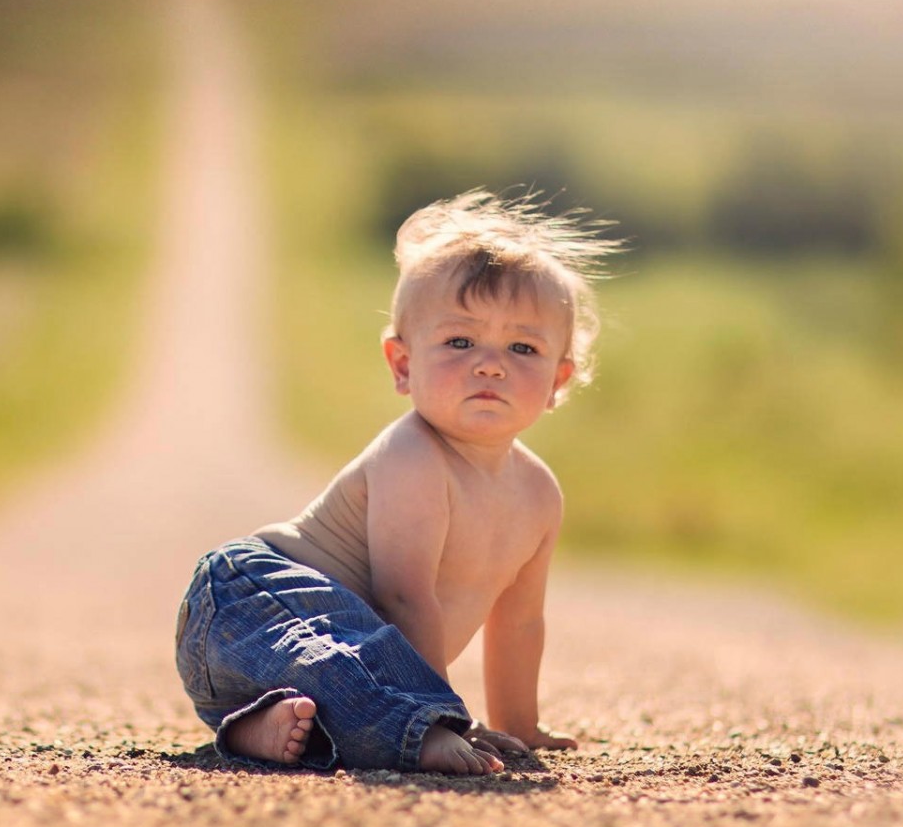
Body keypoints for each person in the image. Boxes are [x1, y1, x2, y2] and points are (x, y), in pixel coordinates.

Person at [174, 190, 617, 774]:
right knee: (354, 652)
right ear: (403, 365)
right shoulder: (414, 457)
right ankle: (411, 723)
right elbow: (404, 597)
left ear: (558, 381)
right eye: (460, 341)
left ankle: (261, 727)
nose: (491, 363)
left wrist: (520, 725)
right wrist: (443, 718)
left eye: (523, 347)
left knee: (354, 679)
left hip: (317, 671)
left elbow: (519, 622)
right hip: (248, 603)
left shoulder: (538, 494)